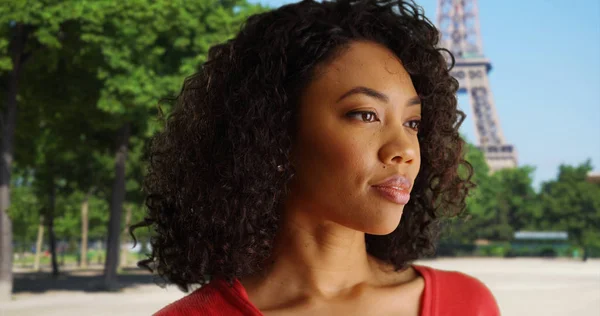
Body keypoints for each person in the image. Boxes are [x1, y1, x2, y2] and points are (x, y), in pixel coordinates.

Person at [134, 0, 501, 315]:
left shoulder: (468, 305)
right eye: (365, 114)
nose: (404, 149)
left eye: (413, 123)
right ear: (276, 132)